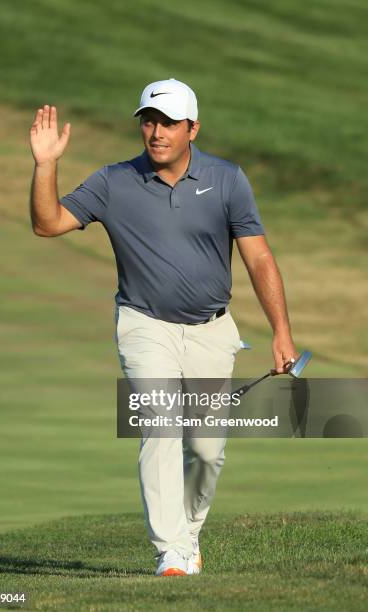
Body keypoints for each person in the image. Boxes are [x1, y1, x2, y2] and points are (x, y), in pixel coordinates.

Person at [29, 78, 298, 577]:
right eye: (149, 121)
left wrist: (281, 331)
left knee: (206, 449)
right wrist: (46, 165)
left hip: (212, 331)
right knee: (160, 426)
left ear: (192, 128)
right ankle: (170, 550)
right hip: (143, 325)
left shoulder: (227, 179)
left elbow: (258, 257)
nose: (156, 132)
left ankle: (188, 535)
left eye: (169, 123)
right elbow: (48, 224)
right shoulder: (113, 182)